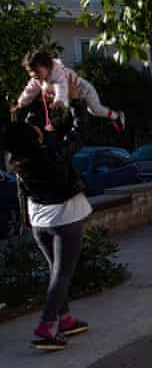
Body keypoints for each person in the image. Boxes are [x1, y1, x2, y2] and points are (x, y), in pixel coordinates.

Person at [4, 74, 92, 350]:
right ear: (34, 139)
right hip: (65, 217)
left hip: (39, 220)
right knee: (62, 273)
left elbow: (22, 188)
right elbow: (80, 132)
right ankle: (46, 326)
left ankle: (64, 319)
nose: (39, 129)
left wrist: (32, 99)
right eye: (35, 130)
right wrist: (76, 101)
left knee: (56, 271)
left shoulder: (17, 160)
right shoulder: (51, 156)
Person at [14, 50, 125, 133]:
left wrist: (59, 100)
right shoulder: (38, 78)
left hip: (84, 90)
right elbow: (30, 89)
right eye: (30, 72)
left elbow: (61, 86)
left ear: (47, 67)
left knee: (95, 110)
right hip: (72, 95)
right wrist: (21, 102)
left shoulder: (57, 73)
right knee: (71, 113)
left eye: (37, 71)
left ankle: (116, 116)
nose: (34, 75)